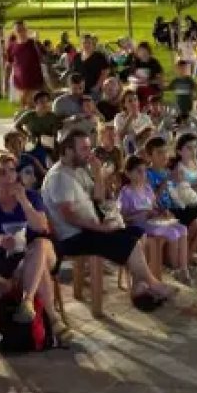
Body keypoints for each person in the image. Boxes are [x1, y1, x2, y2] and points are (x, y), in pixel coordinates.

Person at [42, 131, 171, 309]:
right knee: (128, 242)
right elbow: (68, 216)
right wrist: (100, 228)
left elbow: (99, 199)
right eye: (84, 148)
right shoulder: (59, 177)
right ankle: (152, 283)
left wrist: (97, 173)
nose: (90, 152)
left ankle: (139, 289)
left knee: (137, 233)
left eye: (89, 147)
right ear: (68, 150)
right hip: (73, 236)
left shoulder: (78, 169)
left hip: (89, 228)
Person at [0, 152, 63, 331]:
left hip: (44, 249)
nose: (9, 176)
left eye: (12, 170)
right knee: (38, 265)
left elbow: (42, 228)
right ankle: (52, 319)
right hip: (10, 258)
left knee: (40, 245)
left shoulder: (30, 196)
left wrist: (23, 201)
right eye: (2, 172)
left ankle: (28, 301)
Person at [118, 156, 192, 285]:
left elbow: (154, 206)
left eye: (144, 171)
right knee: (173, 233)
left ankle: (183, 268)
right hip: (138, 225)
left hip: (152, 222)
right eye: (138, 171)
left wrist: (162, 212)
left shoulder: (147, 188)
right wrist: (141, 214)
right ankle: (174, 267)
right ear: (128, 173)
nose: (143, 174)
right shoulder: (126, 192)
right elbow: (123, 218)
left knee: (182, 228)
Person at [6, 21, 47, 108]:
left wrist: (36, 42)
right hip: (20, 82)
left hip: (35, 80)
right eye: (18, 30)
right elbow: (9, 64)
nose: (21, 32)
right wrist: (5, 82)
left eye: (23, 29)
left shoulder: (33, 43)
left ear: (26, 30)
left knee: (36, 105)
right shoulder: (12, 46)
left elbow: (43, 57)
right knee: (24, 106)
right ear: (14, 31)